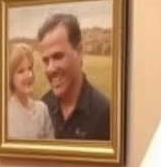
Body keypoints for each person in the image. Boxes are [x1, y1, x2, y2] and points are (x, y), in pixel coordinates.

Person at [36, 12, 111, 140]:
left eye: (58, 57)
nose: (50, 69)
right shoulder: (42, 108)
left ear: (79, 51)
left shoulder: (105, 113)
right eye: (46, 61)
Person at [6, 42, 54, 140]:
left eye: (30, 68)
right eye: (21, 71)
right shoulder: (5, 113)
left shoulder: (42, 110)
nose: (29, 75)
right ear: (10, 77)